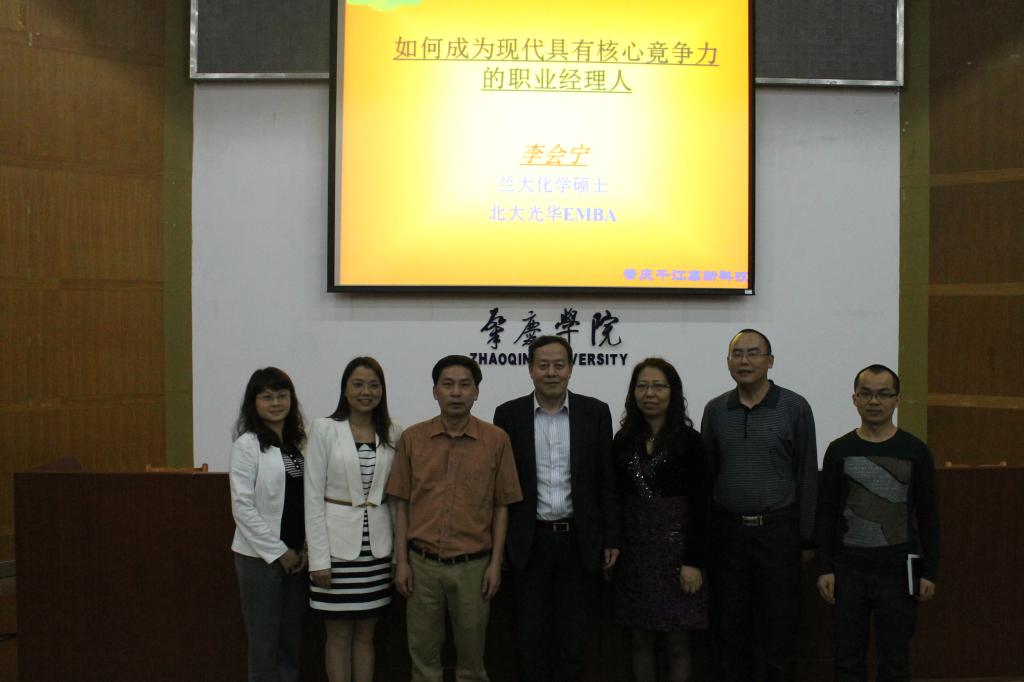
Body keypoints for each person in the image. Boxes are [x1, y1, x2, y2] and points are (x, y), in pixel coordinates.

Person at [386, 355, 522, 682]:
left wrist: (495, 564)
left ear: (476, 392)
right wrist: (401, 562)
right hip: (422, 565)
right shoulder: (413, 439)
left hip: (473, 567)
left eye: (465, 385)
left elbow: (502, 506)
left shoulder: (496, 440)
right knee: (423, 657)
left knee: (472, 660)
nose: (456, 392)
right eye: (448, 385)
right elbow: (401, 503)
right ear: (435, 391)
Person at [493, 335, 621, 682]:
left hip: (579, 542)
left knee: (573, 639)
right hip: (528, 542)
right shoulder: (508, 414)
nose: (551, 372)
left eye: (559, 365)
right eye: (543, 365)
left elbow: (606, 481)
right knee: (529, 638)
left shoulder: (595, 412)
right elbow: (500, 484)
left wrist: (611, 537)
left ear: (571, 369)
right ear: (530, 369)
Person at [700, 329, 817, 682]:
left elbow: (806, 474)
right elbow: (707, 475)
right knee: (730, 629)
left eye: (753, 353)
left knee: (780, 628)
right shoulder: (716, 410)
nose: (744, 361)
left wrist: (807, 538)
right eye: (737, 354)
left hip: (779, 534)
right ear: (728, 362)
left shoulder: (794, 407)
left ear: (770, 361)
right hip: (729, 534)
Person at [815, 365, 940, 682]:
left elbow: (928, 515)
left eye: (883, 394)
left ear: (897, 400)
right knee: (847, 660)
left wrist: (930, 571)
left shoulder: (915, 451)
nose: (874, 401)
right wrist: (824, 567)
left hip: (899, 570)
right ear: (855, 399)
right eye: (867, 394)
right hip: (848, 569)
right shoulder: (839, 450)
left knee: (895, 660)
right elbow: (826, 513)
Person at [304, 357, 402, 682]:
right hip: (334, 551)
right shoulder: (324, 428)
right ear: (345, 389)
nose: (366, 392)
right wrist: (318, 560)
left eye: (374, 385)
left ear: (382, 391)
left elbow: (395, 497)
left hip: (376, 551)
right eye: (358, 384)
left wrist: (397, 557)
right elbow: (312, 496)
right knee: (338, 635)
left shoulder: (393, 431)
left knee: (366, 635)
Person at [612, 358, 709, 682]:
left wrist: (693, 561)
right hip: (634, 552)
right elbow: (614, 497)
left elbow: (701, 505)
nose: (649, 393)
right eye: (642, 386)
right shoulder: (623, 440)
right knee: (639, 636)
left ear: (673, 392)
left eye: (658, 386)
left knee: (677, 639)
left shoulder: (691, 441)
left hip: (677, 552)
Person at [229, 367, 308, 682]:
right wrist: (278, 551)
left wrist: (302, 550)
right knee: (263, 646)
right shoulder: (247, 445)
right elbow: (242, 507)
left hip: (298, 558)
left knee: (291, 642)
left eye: (282, 396)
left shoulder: (300, 443)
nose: (276, 403)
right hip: (260, 559)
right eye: (267, 397)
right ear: (254, 402)